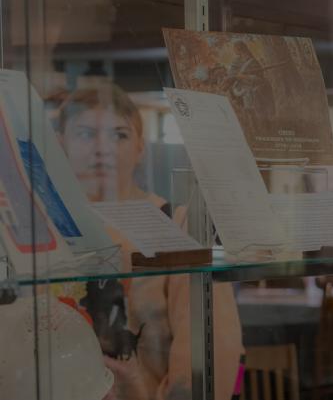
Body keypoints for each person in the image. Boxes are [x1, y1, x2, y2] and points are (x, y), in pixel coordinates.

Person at [54, 83, 244, 400]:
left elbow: (211, 351)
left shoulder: (177, 224)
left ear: (140, 147)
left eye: (119, 135)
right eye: (85, 134)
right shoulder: (41, 230)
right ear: (60, 144)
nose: (102, 148)